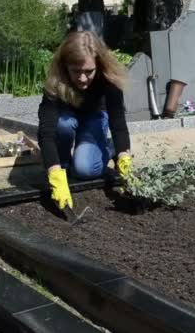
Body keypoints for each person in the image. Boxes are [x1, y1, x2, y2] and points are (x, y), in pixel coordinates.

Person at [37, 31, 132, 210]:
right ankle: (63, 164)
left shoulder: (109, 80)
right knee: (63, 124)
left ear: (99, 65)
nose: (82, 79)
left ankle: (109, 148)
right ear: (66, 67)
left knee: (85, 170)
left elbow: (118, 123)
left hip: (94, 116)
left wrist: (124, 158)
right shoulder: (56, 82)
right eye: (76, 71)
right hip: (67, 119)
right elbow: (46, 132)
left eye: (89, 72)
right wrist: (55, 173)